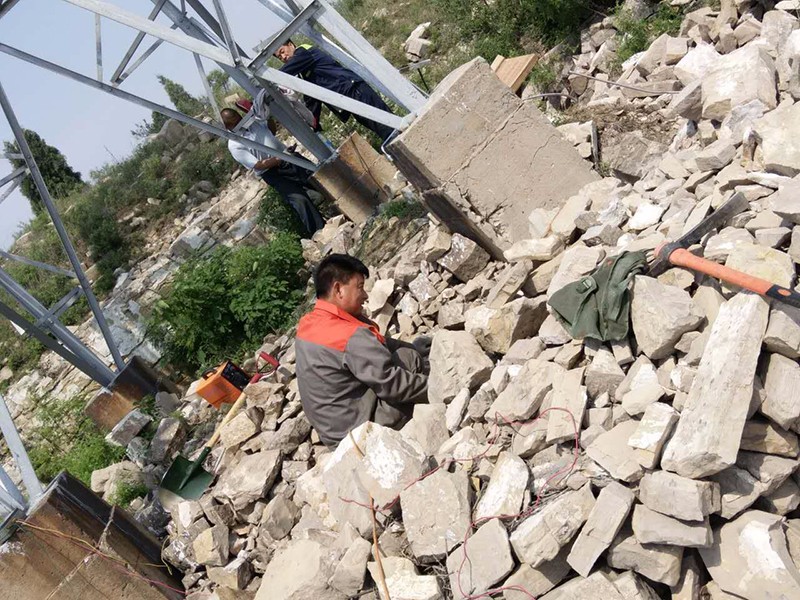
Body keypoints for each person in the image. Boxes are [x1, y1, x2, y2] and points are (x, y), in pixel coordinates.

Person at [295, 254, 429, 448]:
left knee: (408, 352)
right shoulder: (347, 335)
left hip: (336, 436)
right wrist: (439, 387)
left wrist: (413, 347)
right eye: (359, 287)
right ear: (338, 289)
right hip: (364, 435)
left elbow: (376, 345)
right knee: (409, 359)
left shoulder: (309, 324)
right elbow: (394, 385)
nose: (365, 296)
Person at [221, 107, 325, 236]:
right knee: (299, 199)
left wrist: (267, 117)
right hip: (272, 173)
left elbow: (271, 131)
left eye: (240, 118)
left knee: (318, 178)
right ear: (229, 126)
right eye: (236, 122)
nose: (240, 123)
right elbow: (258, 165)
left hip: (289, 158)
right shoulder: (234, 144)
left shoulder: (253, 123)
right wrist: (280, 158)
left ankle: (340, 202)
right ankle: (320, 232)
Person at [274, 39, 396, 142]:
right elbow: (312, 98)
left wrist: (270, 77)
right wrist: (313, 124)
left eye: (282, 52)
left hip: (355, 91)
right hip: (349, 99)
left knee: (388, 127)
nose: (283, 57)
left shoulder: (303, 52)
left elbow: (285, 72)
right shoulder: (303, 70)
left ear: (290, 44)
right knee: (383, 131)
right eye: (279, 57)